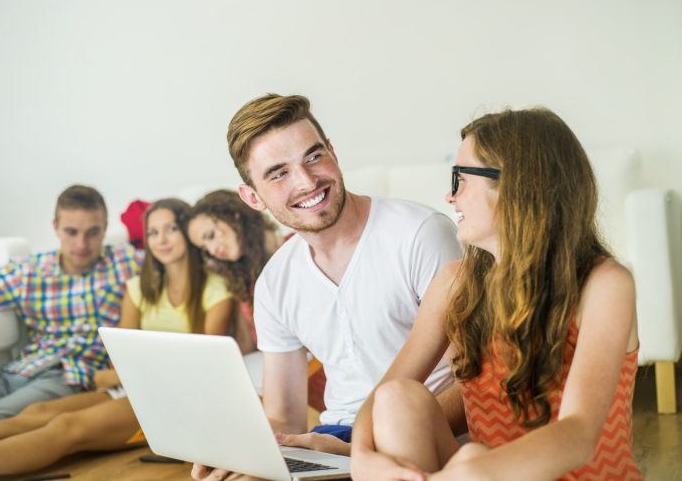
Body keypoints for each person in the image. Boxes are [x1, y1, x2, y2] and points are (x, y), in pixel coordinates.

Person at [349, 108, 643, 481]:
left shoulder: (604, 284)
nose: (449, 196)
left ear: (516, 185)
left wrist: (476, 472)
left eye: (460, 179)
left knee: (471, 457)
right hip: (478, 473)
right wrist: (359, 454)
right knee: (397, 400)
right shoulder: (456, 283)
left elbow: (579, 435)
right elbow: (381, 394)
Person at [192, 94, 464, 481]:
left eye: (314, 156)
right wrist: (247, 451)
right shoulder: (275, 281)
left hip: (421, 433)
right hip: (329, 439)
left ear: (333, 152)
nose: (307, 181)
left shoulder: (421, 234)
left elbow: (474, 387)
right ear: (253, 197)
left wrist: (359, 449)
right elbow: (283, 415)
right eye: (278, 173)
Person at [0, 198, 236, 477]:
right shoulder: (140, 287)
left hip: (170, 394)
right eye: (152, 232)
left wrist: (119, 375)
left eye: (171, 229)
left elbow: (205, 366)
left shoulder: (212, 287)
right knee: (38, 412)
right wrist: (118, 375)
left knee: (64, 426)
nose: (161, 239)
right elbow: (119, 360)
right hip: (124, 384)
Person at [0, 185, 142, 427]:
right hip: (18, 370)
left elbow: (178, 262)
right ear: (56, 228)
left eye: (92, 232)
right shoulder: (30, 270)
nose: (82, 243)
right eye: (71, 232)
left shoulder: (127, 261)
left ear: (105, 228)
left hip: (71, 377)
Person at [186, 188, 283, 346]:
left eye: (210, 236)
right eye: (205, 248)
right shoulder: (241, 276)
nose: (212, 250)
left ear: (233, 215)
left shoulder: (299, 250)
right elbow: (246, 341)